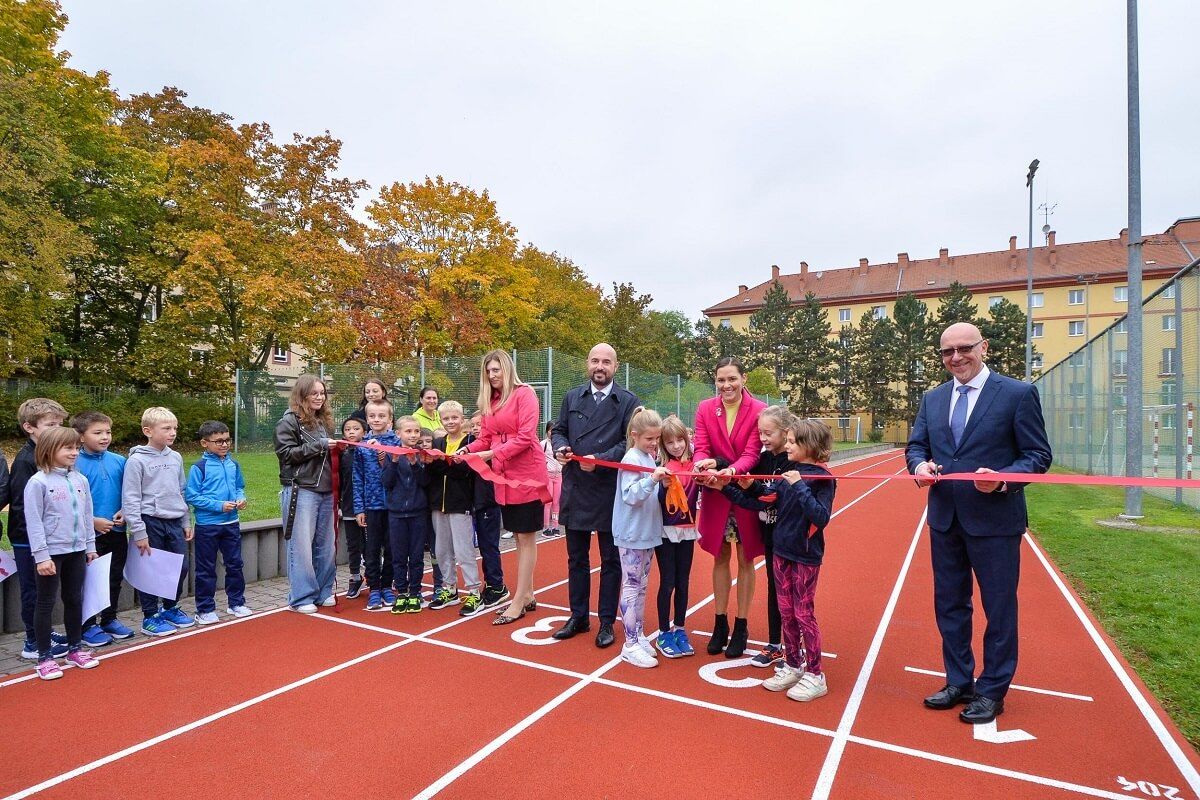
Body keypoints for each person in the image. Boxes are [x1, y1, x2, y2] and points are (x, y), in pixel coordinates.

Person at [906, 322, 1052, 724]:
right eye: (947, 352)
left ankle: (992, 690)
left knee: (999, 608)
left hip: (996, 522)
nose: (956, 357)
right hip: (944, 520)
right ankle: (959, 681)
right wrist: (919, 464)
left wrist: (1003, 479)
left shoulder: (1018, 394)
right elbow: (917, 445)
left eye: (964, 348)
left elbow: (1037, 456)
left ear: (983, 347)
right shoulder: (932, 398)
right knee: (950, 605)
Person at [728, 418, 837, 702]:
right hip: (781, 551)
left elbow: (821, 517)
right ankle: (792, 663)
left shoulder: (823, 478)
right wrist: (745, 486)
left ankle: (816, 674)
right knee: (786, 612)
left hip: (805, 555)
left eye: (791, 442)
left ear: (808, 446)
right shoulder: (791, 471)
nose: (785, 446)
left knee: (804, 614)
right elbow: (768, 498)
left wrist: (800, 486)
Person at [550, 343, 640, 648]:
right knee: (576, 558)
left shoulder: (628, 401)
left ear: (615, 366)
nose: (599, 367)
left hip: (608, 489)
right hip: (575, 485)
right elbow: (558, 430)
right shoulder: (572, 396)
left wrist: (599, 459)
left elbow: (630, 443)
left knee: (610, 560)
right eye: (594, 361)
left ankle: (605, 621)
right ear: (587, 364)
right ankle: (578, 616)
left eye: (606, 362)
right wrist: (561, 448)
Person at [464, 349, 548, 626]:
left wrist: (492, 454)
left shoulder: (524, 394)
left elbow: (526, 436)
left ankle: (519, 600)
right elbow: (485, 438)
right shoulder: (492, 401)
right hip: (504, 477)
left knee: (525, 538)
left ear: (507, 369)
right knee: (518, 536)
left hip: (525, 474)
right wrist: (465, 450)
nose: (492, 375)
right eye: (488, 371)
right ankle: (529, 594)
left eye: (496, 369)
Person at [692, 357, 768, 657]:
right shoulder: (704, 408)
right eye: (721, 380)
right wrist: (702, 462)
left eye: (732, 379)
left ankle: (742, 624)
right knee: (720, 556)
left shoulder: (760, 410)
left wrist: (730, 473)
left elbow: (752, 453)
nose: (726, 386)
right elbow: (700, 445)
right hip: (715, 493)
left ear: (743, 378)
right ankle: (720, 622)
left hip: (744, 492)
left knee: (746, 558)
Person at [24, 426, 100, 680]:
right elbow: (33, 522)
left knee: (74, 599)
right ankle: (44, 656)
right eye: (68, 448)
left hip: (77, 550)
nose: (75, 452)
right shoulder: (38, 482)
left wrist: (90, 546)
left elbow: (87, 515)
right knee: (45, 602)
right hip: (51, 554)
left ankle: (74, 649)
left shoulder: (80, 480)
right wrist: (42, 556)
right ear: (49, 449)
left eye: (76, 447)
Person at [122, 407, 195, 636]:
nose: (173, 433)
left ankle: (170, 608)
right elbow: (131, 497)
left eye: (175, 428)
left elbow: (180, 491)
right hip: (149, 521)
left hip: (174, 521)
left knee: (179, 567)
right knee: (150, 570)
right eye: (166, 429)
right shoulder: (137, 461)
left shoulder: (175, 457)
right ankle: (150, 616)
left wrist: (185, 520)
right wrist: (139, 531)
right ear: (148, 431)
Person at [731, 405, 794, 668]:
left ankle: (794, 648)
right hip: (770, 535)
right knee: (773, 588)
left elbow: (773, 496)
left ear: (785, 432)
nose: (763, 438)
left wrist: (754, 488)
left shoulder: (794, 461)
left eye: (768, 433)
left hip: (791, 538)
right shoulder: (763, 459)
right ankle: (774, 645)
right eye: (760, 433)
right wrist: (725, 479)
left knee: (791, 593)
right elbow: (751, 495)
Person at [9, 398, 71, 661]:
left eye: (60, 423)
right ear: (29, 427)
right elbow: (24, 506)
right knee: (33, 590)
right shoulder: (26, 460)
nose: (57, 428)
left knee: (46, 590)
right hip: (29, 540)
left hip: (51, 538)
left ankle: (42, 631)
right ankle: (33, 640)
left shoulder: (52, 455)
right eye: (50, 424)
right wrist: (39, 542)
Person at [274, 375, 336, 614]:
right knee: (301, 546)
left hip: (327, 490)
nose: (320, 397)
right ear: (302, 395)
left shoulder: (324, 421)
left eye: (322, 393)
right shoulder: (288, 422)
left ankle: (323, 590)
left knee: (326, 546)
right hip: (302, 489)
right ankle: (301, 596)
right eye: (315, 393)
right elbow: (286, 454)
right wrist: (320, 445)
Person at [613, 408, 669, 668]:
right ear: (635, 435)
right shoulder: (632, 457)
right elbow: (631, 496)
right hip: (632, 534)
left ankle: (639, 634)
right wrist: (652, 481)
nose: (654, 443)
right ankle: (629, 643)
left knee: (642, 585)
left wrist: (661, 480)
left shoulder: (647, 457)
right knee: (632, 585)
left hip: (647, 533)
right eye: (650, 438)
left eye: (657, 438)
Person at [72, 411, 135, 645]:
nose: (104, 437)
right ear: (80, 437)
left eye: (108, 432)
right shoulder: (73, 463)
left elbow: (130, 493)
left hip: (117, 533)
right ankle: (87, 625)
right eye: (97, 433)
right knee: (88, 581)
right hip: (89, 536)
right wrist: (93, 522)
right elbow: (70, 503)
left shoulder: (119, 461)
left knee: (113, 578)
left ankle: (109, 619)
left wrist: (125, 511)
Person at [185, 421, 251, 625]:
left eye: (227, 440)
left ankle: (236, 603)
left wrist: (241, 498)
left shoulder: (233, 464)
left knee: (235, 564)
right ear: (205, 443)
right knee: (206, 568)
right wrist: (218, 505)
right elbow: (192, 496)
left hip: (231, 523)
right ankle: (205, 609)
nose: (224, 445)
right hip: (207, 525)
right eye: (218, 441)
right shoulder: (199, 467)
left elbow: (240, 486)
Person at [425, 400, 483, 616]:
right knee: (441, 550)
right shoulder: (438, 443)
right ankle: (449, 589)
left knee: (463, 550)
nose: (450, 421)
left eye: (454, 418)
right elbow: (433, 471)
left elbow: (464, 471)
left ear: (462, 419)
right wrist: (441, 463)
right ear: (441, 419)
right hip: (438, 504)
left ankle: (474, 591)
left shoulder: (470, 442)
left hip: (460, 504)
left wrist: (443, 463)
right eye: (446, 418)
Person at [653, 414, 699, 659]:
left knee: (683, 582)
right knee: (668, 581)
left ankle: (680, 628)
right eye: (670, 443)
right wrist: (662, 486)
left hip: (688, 530)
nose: (676, 446)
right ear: (664, 445)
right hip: (665, 533)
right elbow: (658, 502)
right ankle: (663, 633)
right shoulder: (662, 468)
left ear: (687, 438)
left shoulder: (695, 466)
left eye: (680, 440)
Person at [354, 400, 400, 612]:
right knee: (371, 549)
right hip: (371, 506)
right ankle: (374, 588)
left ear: (390, 419)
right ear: (367, 419)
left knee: (391, 547)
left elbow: (399, 474)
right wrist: (359, 508)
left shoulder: (398, 444)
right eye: (372, 416)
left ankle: (387, 585)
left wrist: (385, 456)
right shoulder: (361, 447)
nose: (377, 420)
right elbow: (357, 479)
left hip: (392, 506)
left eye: (382, 416)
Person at [384, 416, 429, 614]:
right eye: (408, 431)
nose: (413, 435)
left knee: (417, 555)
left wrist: (414, 464)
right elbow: (386, 481)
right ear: (398, 434)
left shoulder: (424, 455)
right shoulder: (390, 454)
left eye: (416, 431)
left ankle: (415, 592)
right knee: (399, 555)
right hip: (396, 514)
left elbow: (426, 482)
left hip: (418, 513)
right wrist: (394, 462)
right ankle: (401, 592)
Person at [468, 410, 509, 609]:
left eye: (480, 425)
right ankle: (491, 583)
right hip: (475, 503)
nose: (476, 428)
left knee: (489, 545)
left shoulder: (494, 449)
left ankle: (497, 585)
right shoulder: (470, 446)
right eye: (473, 425)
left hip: (489, 503)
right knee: (484, 546)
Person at [339, 417, 368, 599]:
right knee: (353, 544)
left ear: (364, 432)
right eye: (348, 429)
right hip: (349, 505)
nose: (351, 432)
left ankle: (375, 573)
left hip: (369, 505)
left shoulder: (369, 451)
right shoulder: (342, 455)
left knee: (370, 544)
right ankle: (355, 577)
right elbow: (340, 481)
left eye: (356, 428)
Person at [540, 420, 563, 537]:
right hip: (547, 476)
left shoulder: (559, 444)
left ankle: (555, 526)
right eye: (550, 430)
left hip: (558, 476)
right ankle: (546, 527)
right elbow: (538, 458)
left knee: (556, 502)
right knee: (547, 502)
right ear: (547, 431)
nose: (552, 433)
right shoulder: (543, 444)